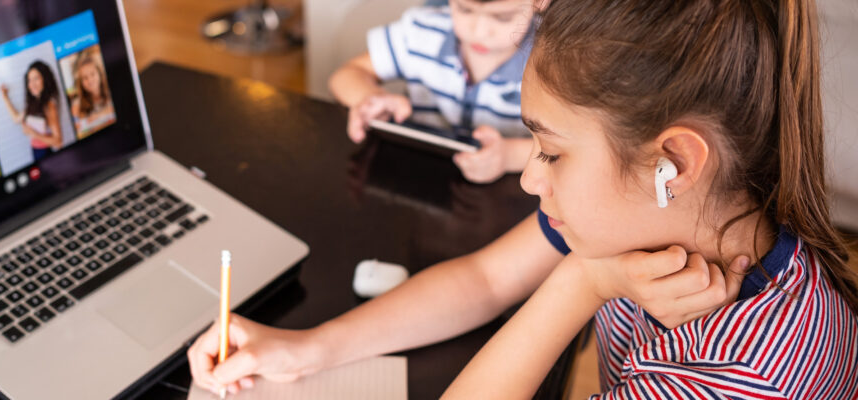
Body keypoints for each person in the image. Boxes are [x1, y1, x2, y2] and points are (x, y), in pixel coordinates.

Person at [189, 0, 858, 398]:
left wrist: (582, 284)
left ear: (671, 162)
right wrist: (305, 349)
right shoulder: (659, 218)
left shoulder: (738, 379)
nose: (532, 179)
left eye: (552, 152)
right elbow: (485, 278)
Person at [329, 0, 541, 184]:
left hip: (510, 202)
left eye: (502, 17)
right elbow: (346, 75)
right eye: (465, 9)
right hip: (418, 180)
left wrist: (509, 156)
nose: (478, 31)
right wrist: (370, 98)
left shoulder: (552, 60)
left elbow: (570, 145)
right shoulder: (420, 29)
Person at [0, 61, 64, 161]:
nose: (32, 84)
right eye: (29, 80)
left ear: (45, 79)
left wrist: (33, 133)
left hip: (46, 152)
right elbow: (16, 118)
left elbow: (58, 141)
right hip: (35, 150)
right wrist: (5, 96)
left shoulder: (49, 106)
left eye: (36, 78)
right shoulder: (33, 104)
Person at [69, 49, 115, 138]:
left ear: (99, 73)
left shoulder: (110, 91)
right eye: (85, 78)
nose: (89, 80)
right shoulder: (77, 104)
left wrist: (98, 116)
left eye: (92, 74)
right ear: (81, 82)